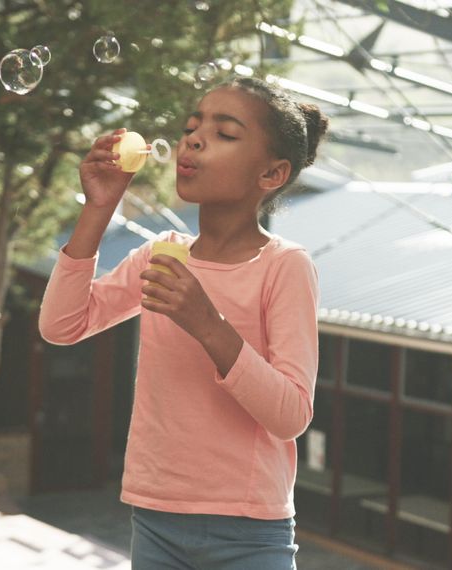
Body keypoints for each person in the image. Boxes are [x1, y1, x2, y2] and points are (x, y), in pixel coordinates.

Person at [38, 76, 329, 569]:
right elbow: (62, 325)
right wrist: (99, 208)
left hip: (252, 533)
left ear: (272, 173)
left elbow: (291, 415)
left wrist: (208, 324)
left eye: (224, 133)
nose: (192, 139)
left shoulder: (284, 266)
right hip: (155, 520)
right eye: (193, 126)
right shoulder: (161, 254)